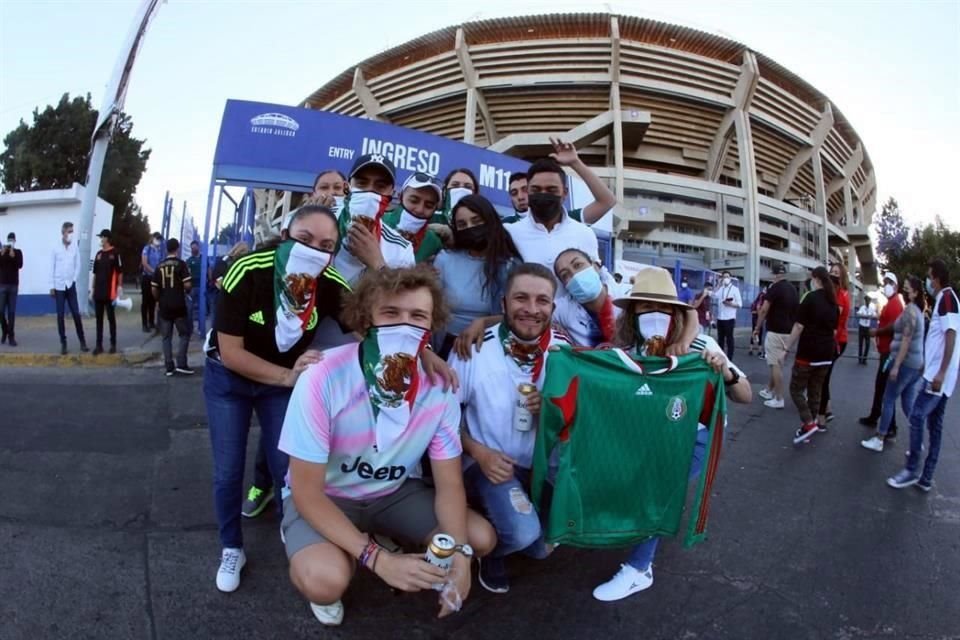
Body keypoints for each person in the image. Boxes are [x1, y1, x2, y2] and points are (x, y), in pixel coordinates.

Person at [278, 265, 495, 626]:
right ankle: (344, 542)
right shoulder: (322, 376)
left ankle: (369, 536)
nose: (404, 326)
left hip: (392, 493)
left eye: (417, 317)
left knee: (479, 539)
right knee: (325, 581)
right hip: (328, 496)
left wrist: (459, 553)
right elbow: (306, 490)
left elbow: (449, 482)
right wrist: (378, 559)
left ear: (430, 327)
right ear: (366, 320)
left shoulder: (439, 387)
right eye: (391, 314)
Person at [205, 205, 350, 593]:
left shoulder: (330, 281)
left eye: (326, 245)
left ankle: (297, 537)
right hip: (228, 379)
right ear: (286, 234)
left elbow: (376, 321)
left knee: (288, 467)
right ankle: (231, 547)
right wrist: (288, 376)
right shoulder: (249, 270)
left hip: (280, 385)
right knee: (228, 469)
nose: (315, 251)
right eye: (305, 240)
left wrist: (426, 352)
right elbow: (232, 352)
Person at [591, 267, 751, 601]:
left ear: (676, 313)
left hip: (694, 438)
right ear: (633, 313)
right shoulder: (628, 352)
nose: (655, 315)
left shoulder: (702, 346)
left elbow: (745, 395)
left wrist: (724, 372)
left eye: (663, 308)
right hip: (648, 437)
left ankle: (639, 568)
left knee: (656, 485)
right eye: (646, 307)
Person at [448, 263, 566, 593]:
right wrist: (477, 451)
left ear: (553, 308)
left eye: (542, 301)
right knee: (523, 533)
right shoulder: (473, 347)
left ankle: (504, 525)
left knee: (542, 548)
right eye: (521, 298)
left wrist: (552, 412)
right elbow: (442, 418)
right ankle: (490, 551)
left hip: (540, 468)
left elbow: (582, 422)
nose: (531, 309)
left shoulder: (564, 353)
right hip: (486, 465)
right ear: (503, 304)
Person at [887, 259, 958, 491]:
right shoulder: (946, 299)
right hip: (939, 374)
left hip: (938, 376)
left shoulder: (947, 298)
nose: (928, 280)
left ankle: (911, 469)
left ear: (935, 278)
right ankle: (925, 477)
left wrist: (940, 372)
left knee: (917, 416)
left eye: (929, 276)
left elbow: (950, 334)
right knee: (934, 426)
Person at [435, 194, 520, 358]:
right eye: (462, 224)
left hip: (489, 347)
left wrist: (484, 322)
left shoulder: (510, 265)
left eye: (476, 221)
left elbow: (518, 315)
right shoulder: (445, 258)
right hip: (446, 345)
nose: (470, 227)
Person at [861, 275, 926, 452]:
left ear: (915, 292)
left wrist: (896, 365)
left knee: (888, 398)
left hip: (906, 363)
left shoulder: (911, 311)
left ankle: (880, 437)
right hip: (914, 364)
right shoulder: (914, 310)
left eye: (906, 288)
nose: (903, 290)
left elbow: (906, 339)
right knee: (907, 404)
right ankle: (917, 442)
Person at [504, 157, 600, 272]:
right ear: (528, 191)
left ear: (564, 193)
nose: (543, 194)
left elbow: (596, 278)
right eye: (536, 190)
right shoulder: (509, 234)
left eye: (551, 190)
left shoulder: (584, 233)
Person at [333, 154, 415, 286]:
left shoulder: (401, 249)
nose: (370, 191)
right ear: (347, 187)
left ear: (392, 194)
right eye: (361, 183)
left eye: (380, 186)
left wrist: (377, 264)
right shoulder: (317, 221)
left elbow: (401, 301)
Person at [786, 267, 839, 445]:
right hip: (826, 353)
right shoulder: (833, 302)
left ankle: (808, 422)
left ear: (816, 279)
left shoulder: (810, 298)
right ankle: (810, 424)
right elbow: (834, 330)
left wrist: (786, 348)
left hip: (808, 352)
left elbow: (799, 326)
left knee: (796, 389)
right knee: (815, 390)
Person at [859, 273, 905, 435]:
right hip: (886, 351)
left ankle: (889, 425)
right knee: (882, 388)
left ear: (895, 285)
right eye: (885, 282)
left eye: (889, 282)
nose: (886, 285)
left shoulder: (896, 304)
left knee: (884, 388)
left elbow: (894, 326)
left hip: (889, 353)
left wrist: (877, 332)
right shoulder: (892, 303)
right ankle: (877, 417)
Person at [755, 264, 799, 409]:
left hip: (775, 331)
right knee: (778, 364)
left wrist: (757, 327)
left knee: (774, 365)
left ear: (774, 275)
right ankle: (769, 389)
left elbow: (763, 310)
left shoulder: (774, 288)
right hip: (789, 332)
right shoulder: (793, 289)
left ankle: (779, 398)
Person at [816, 262, 852, 427]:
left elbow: (833, 320)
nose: (834, 275)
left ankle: (821, 417)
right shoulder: (835, 294)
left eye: (837, 273)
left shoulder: (841, 295)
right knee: (824, 375)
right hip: (833, 340)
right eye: (832, 272)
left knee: (823, 376)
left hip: (836, 341)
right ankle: (827, 409)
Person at [152, 238, 194, 376]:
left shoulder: (159, 266)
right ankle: (181, 363)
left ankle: (169, 367)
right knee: (184, 334)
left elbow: (154, 288)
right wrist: (186, 291)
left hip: (164, 306)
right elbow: (187, 285)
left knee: (166, 337)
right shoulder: (181, 264)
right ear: (177, 248)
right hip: (178, 304)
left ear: (166, 249)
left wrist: (159, 299)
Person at [381, 172, 444, 263]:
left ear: (435, 209)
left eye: (429, 206)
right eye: (414, 201)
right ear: (400, 197)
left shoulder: (433, 243)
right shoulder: (379, 222)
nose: (419, 209)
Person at [50, 222, 89, 354]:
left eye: (72, 231)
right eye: (69, 231)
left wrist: (74, 279)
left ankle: (82, 342)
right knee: (60, 315)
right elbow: (51, 267)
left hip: (70, 286)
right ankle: (63, 343)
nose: (71, 234)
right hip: (59, 286)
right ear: (63, 232)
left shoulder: (74, 248)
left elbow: (78, 264)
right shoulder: (55, 247)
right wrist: (51, 286)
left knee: (76, 314)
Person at [91, 229, 123, 356]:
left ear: (107, 238)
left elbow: (120, 271)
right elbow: (95, 273)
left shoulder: (115, 253)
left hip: (110, 292)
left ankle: (113, 344)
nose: (101, 240)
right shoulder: (98, 254)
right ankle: (99, 345)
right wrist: (92, 289)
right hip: (99, 291)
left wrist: (119, 287)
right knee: (99, 319)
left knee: (111, 319)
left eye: (102, 237)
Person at [0, 232, 23, 346]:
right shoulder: (2, 252)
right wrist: (2, 253)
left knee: (11, 312)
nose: (10, 242)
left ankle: (11, 336)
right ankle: (5, 330)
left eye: (12, 240)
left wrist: (13, 255)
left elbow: (20, 265)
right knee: (0, 311)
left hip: (13, 285)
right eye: (9, 240)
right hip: (2, 285)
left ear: (15, 241)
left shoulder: (18, 252)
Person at [714, 271, 741, 358]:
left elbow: (740, 304)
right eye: (724, 277)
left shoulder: (735, 289)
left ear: (730, 278)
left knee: (729, 339)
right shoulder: (721, 289)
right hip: (720, 318)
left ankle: (729, 358)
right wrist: (718, 284)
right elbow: (714, 295)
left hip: (729, 318)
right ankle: (720, 356)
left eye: (727, 277)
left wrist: (731, 304)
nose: (725, 279)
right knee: (720, 339)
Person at [141, 231, 164, 333]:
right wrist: (154, 271)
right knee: (145, 301)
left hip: (155, 278)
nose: (158, 241)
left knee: (153, 300)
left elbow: (160, 263)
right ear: (153, 238)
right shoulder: (147, 249)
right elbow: (144, 263)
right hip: (147, 277)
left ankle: (151, 322)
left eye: (160, 239)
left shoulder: (159, 251)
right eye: (157, 239)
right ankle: (144, 324)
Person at [186, 240, 203, 330]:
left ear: (198, 247)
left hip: (202, 286)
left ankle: (201, 327)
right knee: (190, 308)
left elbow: (208, 270)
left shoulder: (203, 259)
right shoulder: (189, 260)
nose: (193, 249)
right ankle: (190, 328)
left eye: (194, 247)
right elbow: (187, 273)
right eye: (192, 248)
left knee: (202, 308)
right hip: (192, 287)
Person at [856, 294, 877, 365]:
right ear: (865, 301)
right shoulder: (862, 307)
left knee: (867, 344)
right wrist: (865, 316)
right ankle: (860, 358)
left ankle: (864, 358)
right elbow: (858, 314)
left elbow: (875, 315)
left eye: (868, 301)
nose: (867, 302)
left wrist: (871, 316)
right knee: (860, 343)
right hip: (861, 326)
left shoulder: (871, 308)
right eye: (866, 301)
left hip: (867, 327)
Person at [748, 285, 766, 357]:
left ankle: (751, 349)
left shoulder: (754, 303)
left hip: (754, 319)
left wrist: (755, 312)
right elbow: (759, 311)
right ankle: (759, 350)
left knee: (754, 332)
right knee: (760, 333)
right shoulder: (762, 303)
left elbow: (752, 311)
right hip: (759, 319)